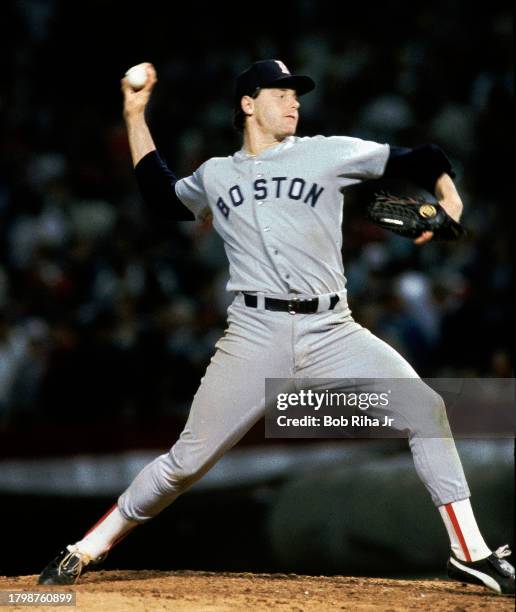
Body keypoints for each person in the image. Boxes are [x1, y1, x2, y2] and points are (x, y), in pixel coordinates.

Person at [38, 60, 514, 595]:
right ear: (247, 103)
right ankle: (86, 548)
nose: (294, 101)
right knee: (184, 465)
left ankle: (470, 551)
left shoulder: (326, 152)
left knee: (425, 407)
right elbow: (160, 194)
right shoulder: (216, 173)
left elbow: (421, 157)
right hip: (253, 333)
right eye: (280, 92)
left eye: (297, 94)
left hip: (334, 329)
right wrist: (134, 113)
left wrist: (448, 196)